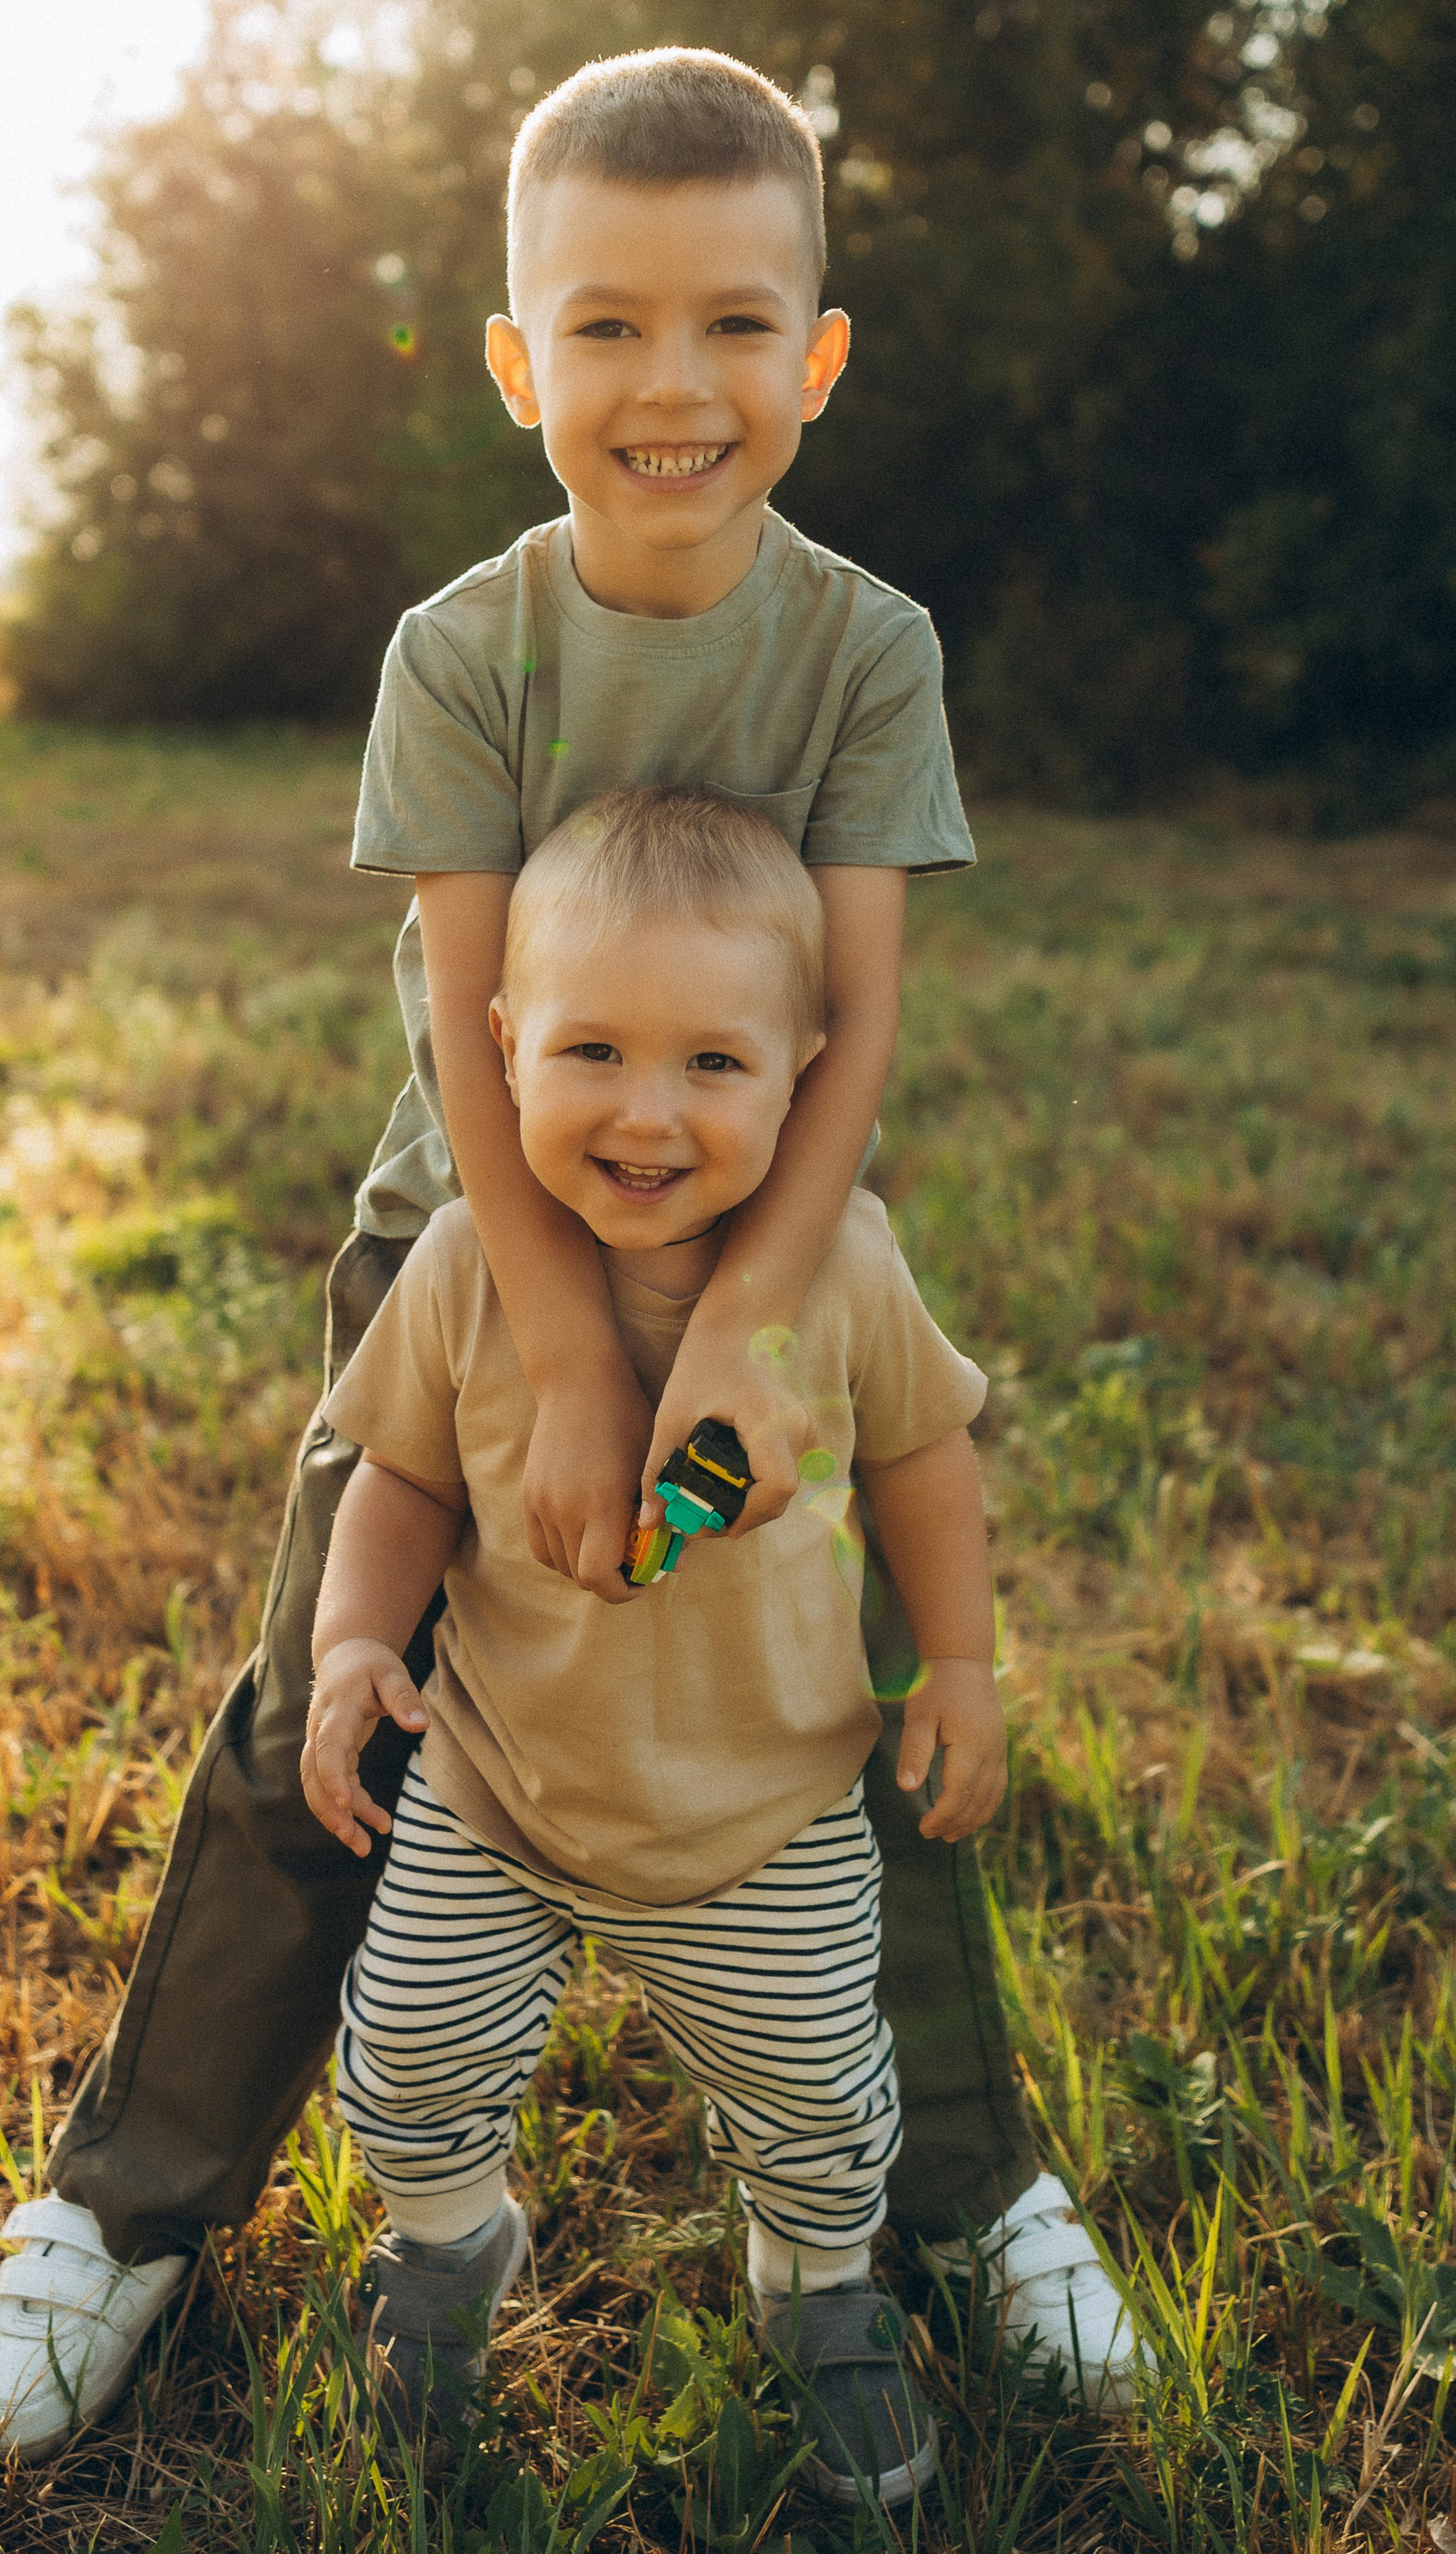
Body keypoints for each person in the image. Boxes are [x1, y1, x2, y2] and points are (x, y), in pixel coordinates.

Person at [0, 47, 1137, 2462]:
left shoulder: (863, 650)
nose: (670, 383)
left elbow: (858, 1031)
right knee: (322, 1691)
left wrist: (742, 1323)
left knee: (859, 1712)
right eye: (606, 325)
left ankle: (962, 2197)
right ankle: (132, 2202)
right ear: (518, 364)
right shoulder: (465, 652)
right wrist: (574, 1363)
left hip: (773, 1244)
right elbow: (459, 1019)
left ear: (818, 356)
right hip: (466, 1233)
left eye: (733, 324)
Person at [307, 784, 1001, 2501]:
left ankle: (817, 2289)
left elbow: (926, 1462)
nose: (645, 1111)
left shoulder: (841, 1265)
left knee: (818, 2098)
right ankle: (447, 2251)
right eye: (592, 1051)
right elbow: (399, 1480)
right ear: (500, 1047)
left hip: (759, 1813)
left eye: (712, 1063)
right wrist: (348, 1648)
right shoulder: (465, 1264)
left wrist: (962, 1669)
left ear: (803, 1073)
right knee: (403, 2057)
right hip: (497, 1785)